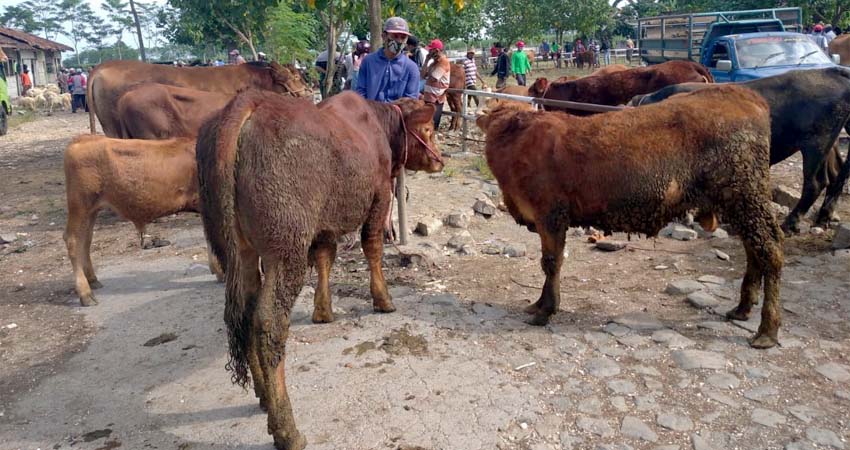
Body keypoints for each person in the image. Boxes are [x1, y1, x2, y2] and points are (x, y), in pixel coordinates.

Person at [355, 16, 420, 102]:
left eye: (403, 37)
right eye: (395, 36)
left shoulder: (411, 68)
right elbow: (361, 92)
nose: (399, 41)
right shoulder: (368, 61)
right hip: (370, 113)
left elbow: (410, 101)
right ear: (384, 36)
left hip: (397, 114)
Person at [421, 38, 450, 129]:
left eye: (431, 50)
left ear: (436, 50)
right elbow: (422, 75)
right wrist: (426, 61)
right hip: (429, 97)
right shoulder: (433, 63)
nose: (429, 52)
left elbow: (434, 78)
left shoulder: (443, 62)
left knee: (433, 125)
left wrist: (427, 75)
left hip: (437, 99)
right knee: (428, 123)